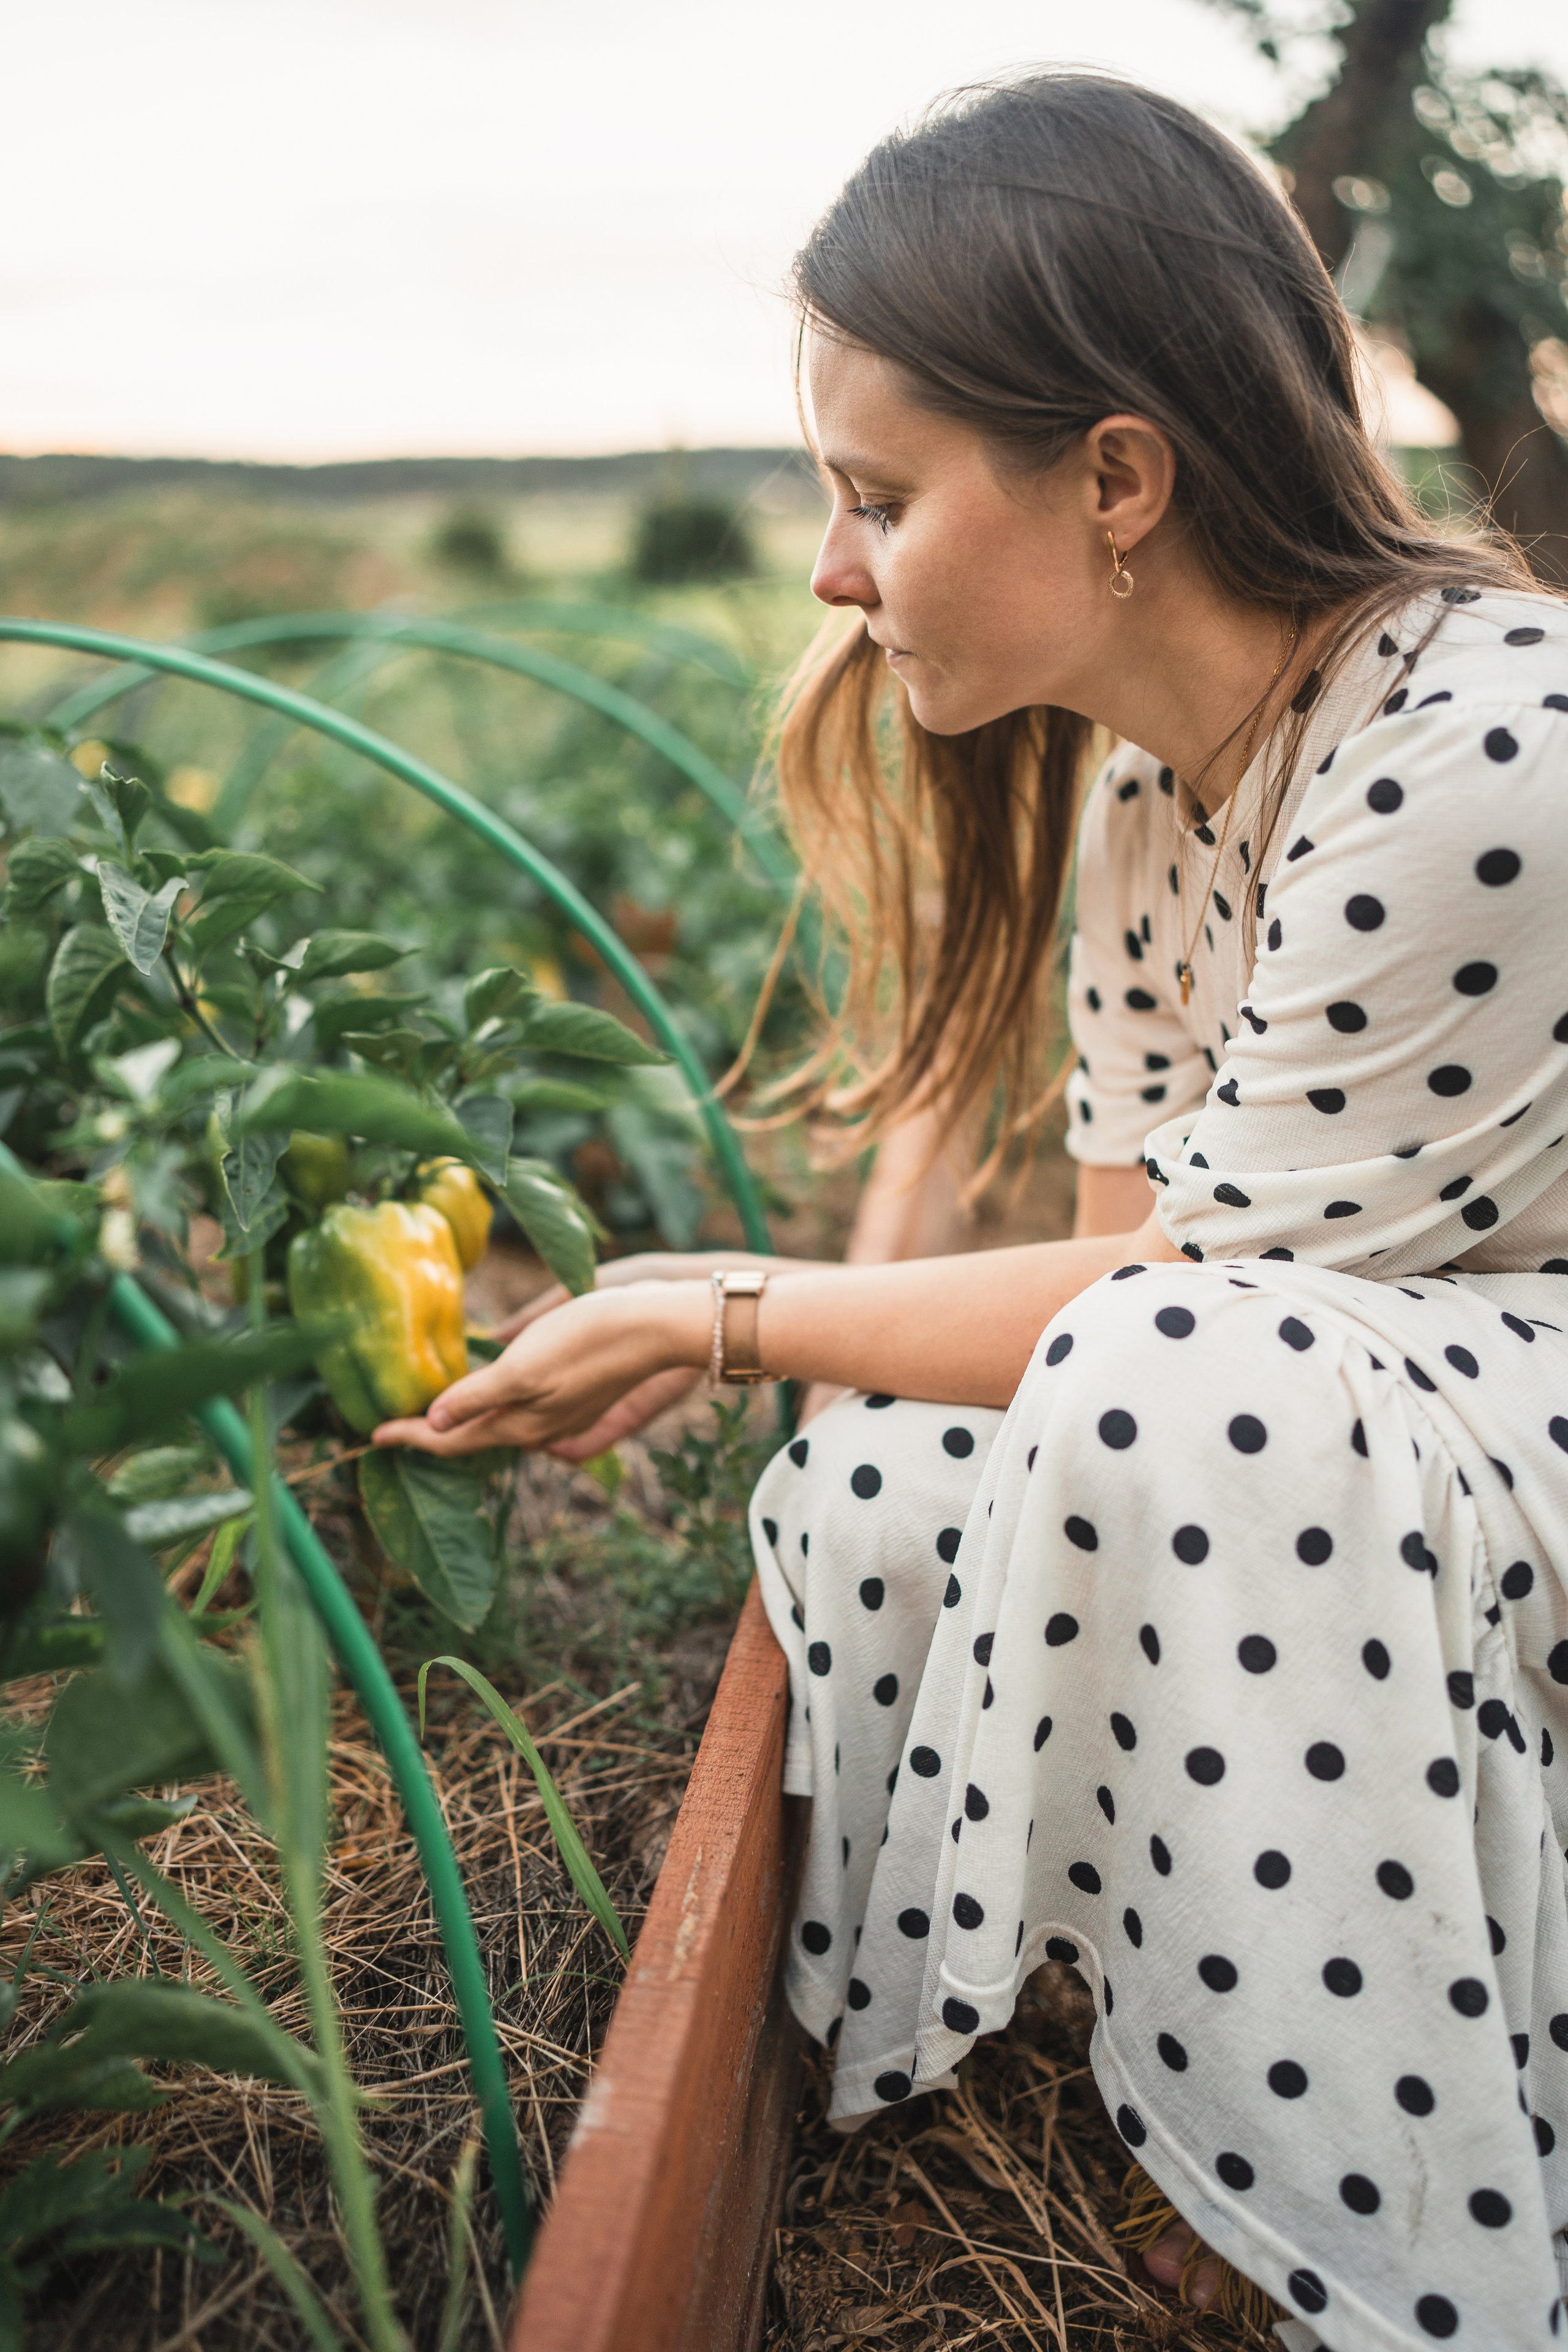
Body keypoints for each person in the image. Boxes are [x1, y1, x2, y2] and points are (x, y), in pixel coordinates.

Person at [374, 71, 1568, 2351]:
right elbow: (1105, 1288)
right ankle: (1139, 2022)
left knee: (1171, 1386)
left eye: (878, 497)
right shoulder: (1149, 796)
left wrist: (724, 1305)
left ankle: (1369, 2212)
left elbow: (1179, 1311)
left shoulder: (1493, 754)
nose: (833, 571)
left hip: (1487, 1409)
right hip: (1378, 1414)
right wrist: (767, 1325)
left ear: (1119, 478)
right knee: (890, 1472)